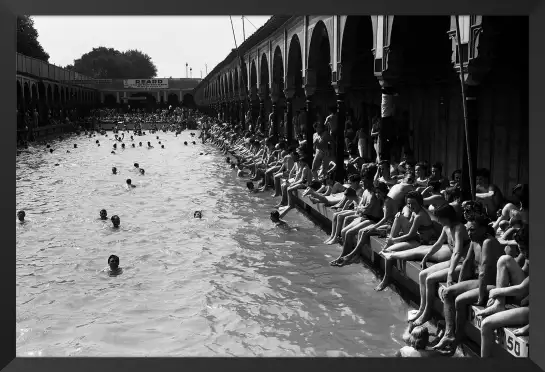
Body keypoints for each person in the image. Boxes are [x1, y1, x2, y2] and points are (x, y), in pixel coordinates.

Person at [433, 215, 505, 354]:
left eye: (472, 230)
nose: (469, 233)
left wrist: (481, 297)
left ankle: (458, 335)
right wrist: (458, 284)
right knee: (448, 292)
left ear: (483, 229)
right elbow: (466, 262)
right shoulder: (474, 241)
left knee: (460, 300)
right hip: (479, 281)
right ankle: (449, 333)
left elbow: (484, 271)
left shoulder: (488, 242)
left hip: (492, 285)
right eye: (468, 230)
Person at [408, 204, 471, 325]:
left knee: (430, 279)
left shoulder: (459, 228)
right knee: (423, 275)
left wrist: (450, 273)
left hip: (464, 264)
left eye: (440, 218)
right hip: (453, 261)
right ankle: (421, 309)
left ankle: (427, 313)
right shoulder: (446, 227)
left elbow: (457, 252)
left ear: (448, 217)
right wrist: (426, 257)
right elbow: (438, 244)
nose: (438, 221)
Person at [476, 224, 529, 357]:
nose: (523, 252)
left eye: (524, 249)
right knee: (504, 259)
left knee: (487, 324)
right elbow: (522, 274)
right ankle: (499, 305)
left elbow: (522, 287)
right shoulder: (528, 255)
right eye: (521, 249)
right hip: (525, 298)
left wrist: (498, 292)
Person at [375, 191, 439, 291]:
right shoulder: (415, 212)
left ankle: (387, 279)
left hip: (421, 242)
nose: (410, 206)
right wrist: (398, 217)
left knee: (389, 251)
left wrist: (394, 239)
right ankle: (389, 242)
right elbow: (409, 225)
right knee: (399, 217)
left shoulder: (419, 216)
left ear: (420, 203)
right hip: (416, 237)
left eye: (413, 203)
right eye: (408, 203)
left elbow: (410, 234)